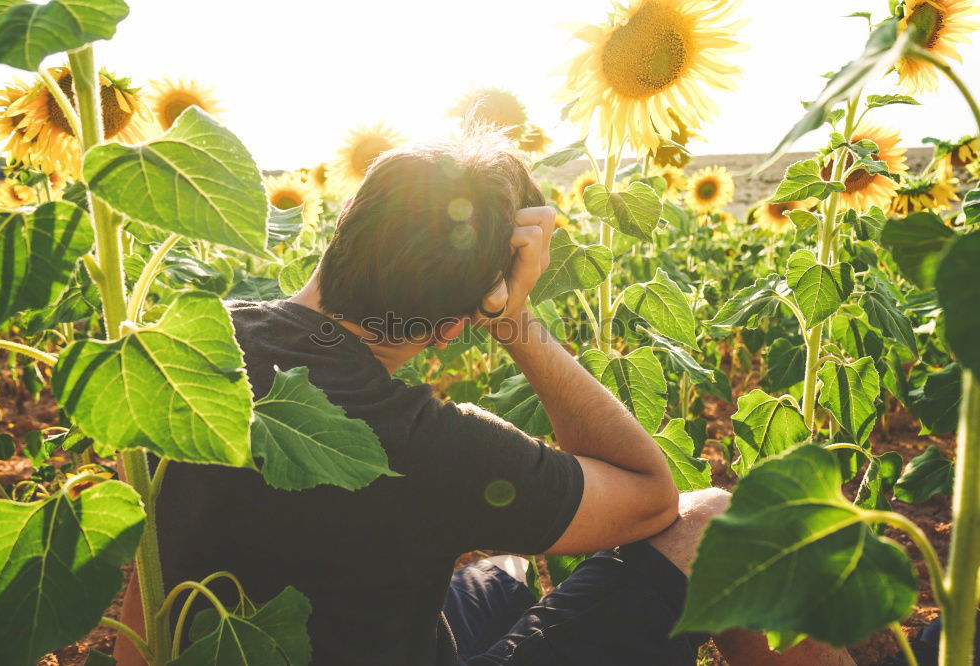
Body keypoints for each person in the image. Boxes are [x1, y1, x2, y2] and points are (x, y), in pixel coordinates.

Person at [115, 131, 853, 665]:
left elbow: (146, 584)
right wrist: (518, 324)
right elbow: (652, 498)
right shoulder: (428, 446)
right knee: (718, 523)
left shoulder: (185, 348)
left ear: (340, 225)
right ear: (454, 327)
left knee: (507, 576)